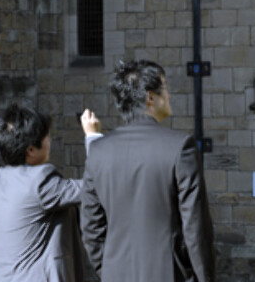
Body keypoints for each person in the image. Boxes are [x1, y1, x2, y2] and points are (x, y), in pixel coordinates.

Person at [80, 59, 215, 282]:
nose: (169, 96)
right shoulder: (180, 147)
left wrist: (109, 270)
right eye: (166, 88)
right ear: (150, 97)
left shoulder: (98, 152)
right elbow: (195, 228)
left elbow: (91, 229)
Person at [0, 103, 101, 281]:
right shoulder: (41, 181)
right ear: (31, 150)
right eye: (47, 137)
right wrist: (93, 136)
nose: (50, 141)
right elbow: (96, 186)